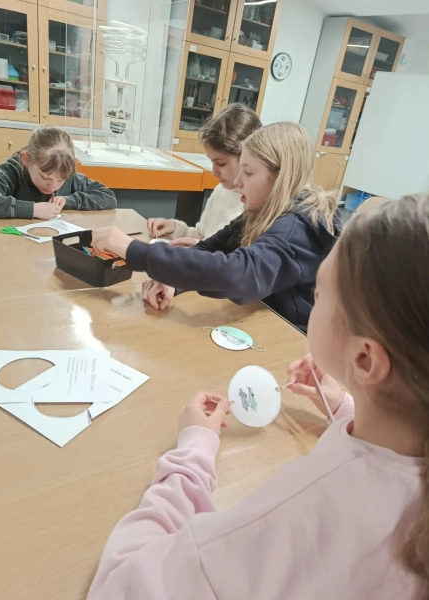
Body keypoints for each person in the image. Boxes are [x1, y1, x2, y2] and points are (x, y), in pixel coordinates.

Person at [87, 195, 429, 600]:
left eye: (319, 294)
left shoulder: (304, 512)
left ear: (366, 360)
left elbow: (123, 583)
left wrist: (193, 454)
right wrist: (350, 408)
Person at [92, 122, 340, 332]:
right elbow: (210, 247)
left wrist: (133, 250)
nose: (238, 181)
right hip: (263, 322)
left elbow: (236, 274)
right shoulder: (263, 211)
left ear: (281, 177)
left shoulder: (297, 229)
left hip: (292, 338)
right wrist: (174, 282)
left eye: (248, 173)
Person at [147, 104, 261, 247]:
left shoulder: (253, 206)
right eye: (212, 162)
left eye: (221, 163)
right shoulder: (221, 191)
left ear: (246, 159)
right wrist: (175, 228)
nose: (214, 172)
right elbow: (202, 235)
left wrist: (199, 248)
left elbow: (230, 255)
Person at [0, 126, 117, 219]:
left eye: (60, 180)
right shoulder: (12, 172)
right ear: (26, 160)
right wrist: (33, 209)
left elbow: (108, 197)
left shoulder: (66, 173)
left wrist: (68, 200)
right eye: (45, 177)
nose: (52, 186)